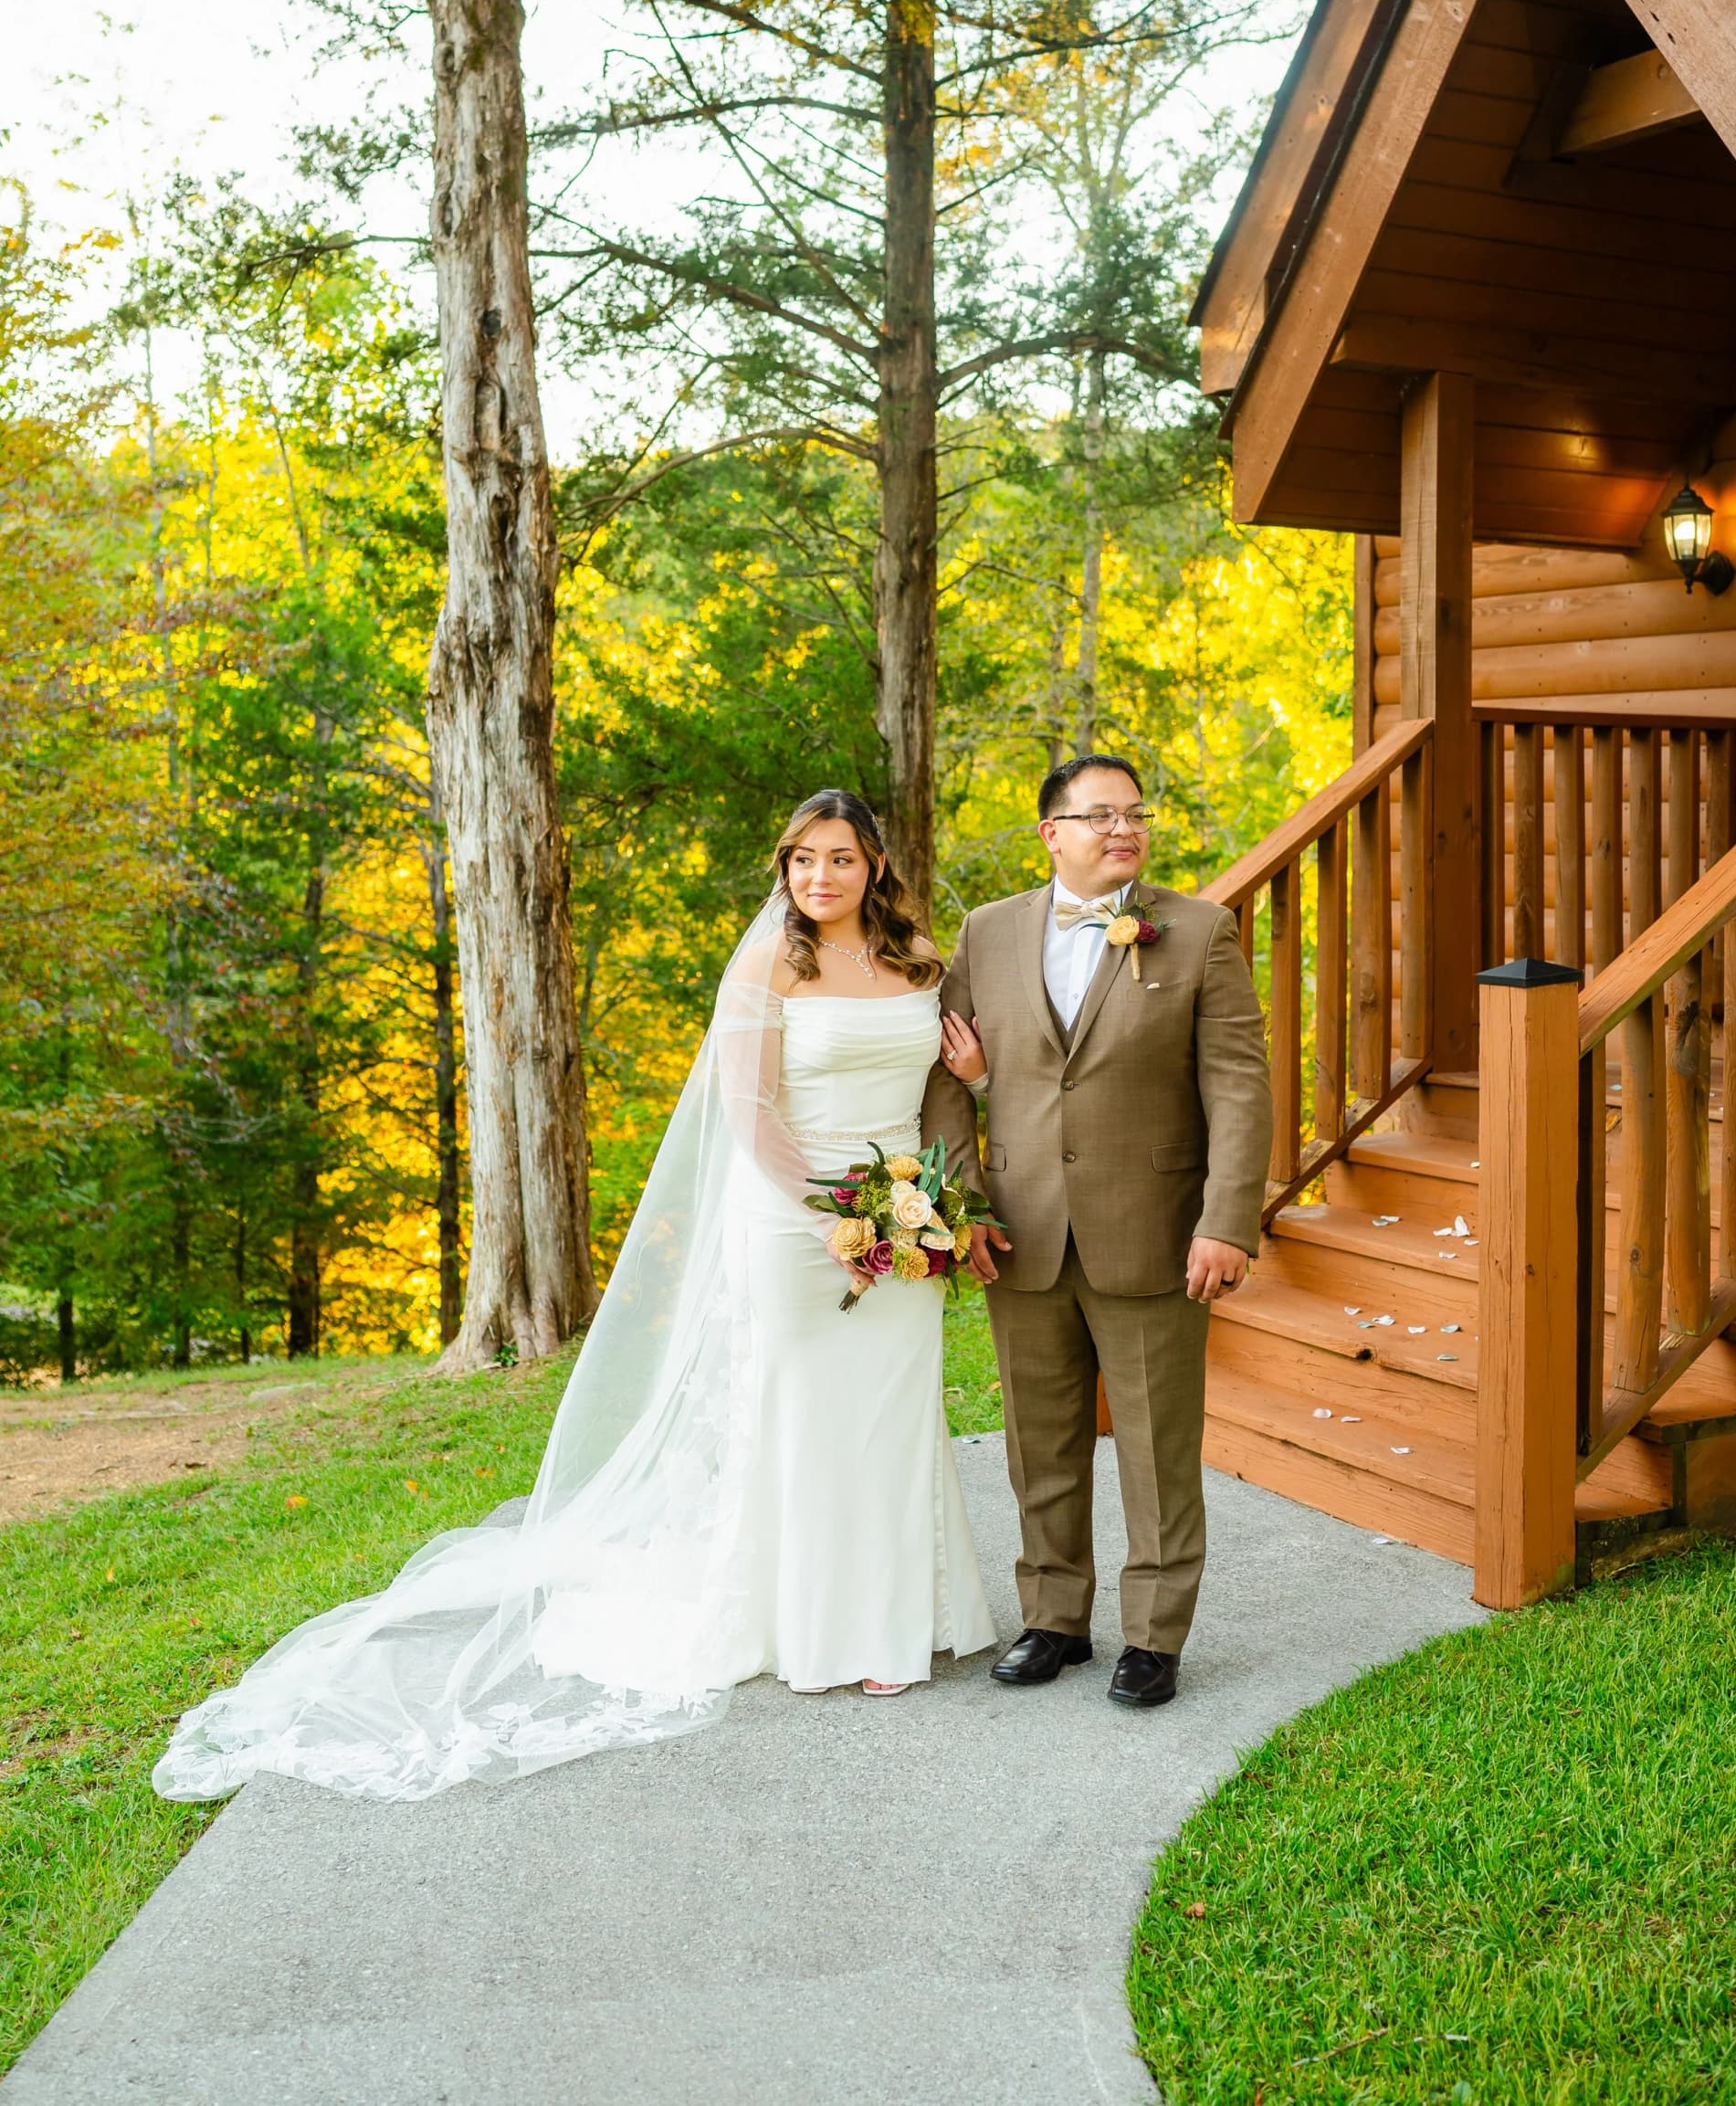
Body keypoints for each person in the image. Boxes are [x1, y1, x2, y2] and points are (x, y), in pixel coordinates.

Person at [153, 789, 993, 1804]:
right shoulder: (772, 961)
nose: (822, 876)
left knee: (893, 1411)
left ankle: (898, 1615)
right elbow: (751, 1108)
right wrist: (829, 1215)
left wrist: (923, 1186)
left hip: (906, 1216)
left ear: (875, 864)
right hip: (790, 1218)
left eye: (842, 858)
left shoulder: (917, 958)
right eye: (804, 858)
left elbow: (943, 1087)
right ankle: (815, 1623)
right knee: (806, 1416)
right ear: (784, 868)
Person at [927, 753, 1271, 1709]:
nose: (1124, 828)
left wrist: (1226, 1219)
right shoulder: (986, 933)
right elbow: (948, 1079)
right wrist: (965, 1208)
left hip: (1155, 1230)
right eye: (1100, 814)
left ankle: (1154, 1635)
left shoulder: (1198, 931)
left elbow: (1238, 1085)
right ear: (1052, 832)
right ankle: (1053, 1619)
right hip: (1020, 1233)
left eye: (1136, 813)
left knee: (1159, 1448)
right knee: (1039, 1442)